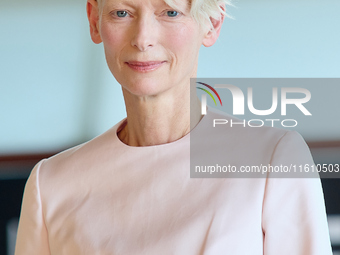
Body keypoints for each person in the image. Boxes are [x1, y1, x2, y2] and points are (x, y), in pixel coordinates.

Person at [15, 0, 332, 254]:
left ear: (212, 23)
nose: (142, 38)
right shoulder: (51, 184)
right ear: (94, 20)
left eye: (170, 12)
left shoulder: (273, 160)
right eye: (121, 12)